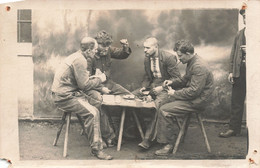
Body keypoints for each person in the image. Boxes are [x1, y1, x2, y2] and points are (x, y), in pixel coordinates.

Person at [51, 37, 113, 160]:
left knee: (96, 102)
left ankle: (100, 138)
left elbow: (81, 82)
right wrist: (101, 79)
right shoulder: (80, 60)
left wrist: (96, 82)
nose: (97, 52)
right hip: (65, 97)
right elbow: (84, 86)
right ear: (89, 50)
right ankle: (97, 149)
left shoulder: (77, 56)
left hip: (67, 93)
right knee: (93, 113)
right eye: (95, 50)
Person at [155, 40, 214, 155]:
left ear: (188, 53)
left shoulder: (198, 66)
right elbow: (184, 80)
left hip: (198, 101)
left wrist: (174, 94)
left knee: (164, 110)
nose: (179, 59)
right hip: (194, 98)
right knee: (163, 102)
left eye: (180, 56)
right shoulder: (192, 62)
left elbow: (193, 92)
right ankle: (166, 137)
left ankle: (167, 144)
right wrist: (171, 82)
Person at [84, 30, 133, 145]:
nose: (106, 48)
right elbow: (86, 82)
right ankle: (109, 136)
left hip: (108, 83)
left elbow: (122, 54)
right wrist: (101, 89)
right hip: (94, 87)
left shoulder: (108, 50)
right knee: (100, 104)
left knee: (129, 98)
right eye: (102, 45)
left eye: (108, 45)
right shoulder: (89, 57)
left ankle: (125, 131)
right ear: (96, 44)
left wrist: (125, 46)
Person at [132, 37, 181, 149]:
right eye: (144, 47)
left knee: (157, 105)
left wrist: (162, 87)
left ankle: (147, 139)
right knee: (132, 96)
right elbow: (147, 76)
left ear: (156, 47)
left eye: (148, 48)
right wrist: (144, 87)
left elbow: (177, 79)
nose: (145, 50)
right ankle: (139, 130)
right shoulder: (147, 58)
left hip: (167, 89)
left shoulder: (168, 58)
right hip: (152, 86)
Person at [219, 8, 246, 138]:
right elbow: (233, 54)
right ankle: (233, 129)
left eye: (248, 16)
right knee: (236, 101)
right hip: (240, 71)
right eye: (244, 17)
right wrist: (231, 71)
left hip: (256, 74)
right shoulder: (240, 34)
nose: (246, 19)